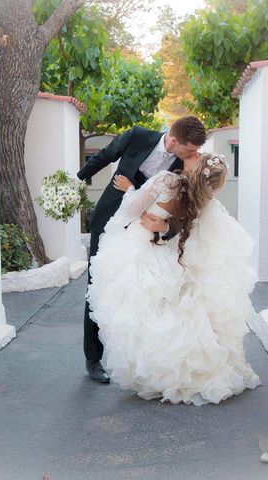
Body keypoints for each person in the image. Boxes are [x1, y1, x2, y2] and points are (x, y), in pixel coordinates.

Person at [86, 153, 261, 405]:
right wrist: (166, 228)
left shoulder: (168, 180)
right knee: (156, 311)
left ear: (196, 166)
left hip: (138, 247)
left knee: (138, 313)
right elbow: (184, 227)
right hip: (162, 251)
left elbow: (132, 210)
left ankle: (154, 370)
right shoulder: (199, 198)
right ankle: (167, 370)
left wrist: (131, 189)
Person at [77, 117, 207, 383]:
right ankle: (94, 359)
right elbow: (104, 156)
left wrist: (167, 227)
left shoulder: (185, 163)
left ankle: (138, 358)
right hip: (109, 221)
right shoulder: (137, 136)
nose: (194, 155)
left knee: (142, 292)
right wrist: (76, 181)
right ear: (173, 140)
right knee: (96, 286)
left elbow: (186, 205)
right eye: (190, 149)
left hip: (145, 233)